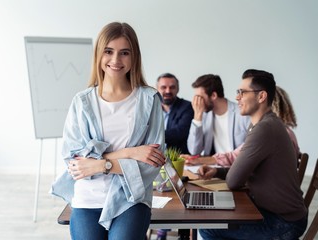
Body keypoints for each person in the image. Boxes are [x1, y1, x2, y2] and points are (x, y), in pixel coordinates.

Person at [51, 22, 166, 240]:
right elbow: (74, 161)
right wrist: (129, 153)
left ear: (134, 57)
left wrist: (97, 164)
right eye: (109, 52)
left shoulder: (149, 100)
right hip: (87, 200)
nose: (115, 60)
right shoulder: (82, 101)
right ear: (99, 55)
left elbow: (151, 163)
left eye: (124, 53)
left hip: (131, 200)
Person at [198, 69, 308, 239]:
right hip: (276, 214)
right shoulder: (264, 125)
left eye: (242, 92)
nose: (237, 98)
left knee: (208, 228)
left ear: (261, 96)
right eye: (238, 92)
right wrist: (217, 171)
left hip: (283, 223)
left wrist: (227, 174)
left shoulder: (264, 129)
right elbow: (243, 171)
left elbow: (234, 181)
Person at [183, 85, 300, 166]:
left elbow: (238, 160)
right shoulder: (285, 132)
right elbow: (235, 155)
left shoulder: (268, 133)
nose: (239, 99)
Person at [187, 74, 250, 157]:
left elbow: (250, 150)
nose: (196, 102)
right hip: (214, 166)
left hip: (236, 166)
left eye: (199, 97)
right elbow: (194, 151)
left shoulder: (243, 113)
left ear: (213, 95)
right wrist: (197, 117)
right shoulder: (205, 115)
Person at [156, 73, 194, 154]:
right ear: (157, 89)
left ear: (178, 89)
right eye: (163, 87)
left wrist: (153, 135)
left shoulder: (187, 107)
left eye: (172, 87)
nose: (168, 91)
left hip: (178, 159)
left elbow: (180, 132)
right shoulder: (150, 108)